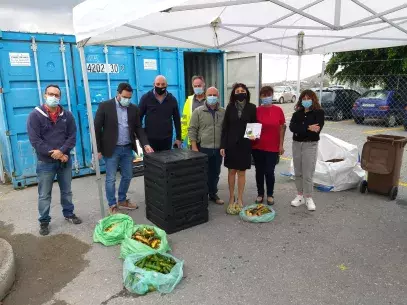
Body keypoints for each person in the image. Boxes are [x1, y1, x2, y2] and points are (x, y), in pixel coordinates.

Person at [27, 84, 82, 236]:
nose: (53, 97)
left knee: (67, 191)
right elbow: (36, 141)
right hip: (45, 163)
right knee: (44, 194)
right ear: (45, 96)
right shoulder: (35, 115)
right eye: (50, 94)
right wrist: (57, 154)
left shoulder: (67, 115)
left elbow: (72, 137)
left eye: (56, 95)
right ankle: (44, 221)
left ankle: (69, 214)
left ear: (60, 97)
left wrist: (63, 152)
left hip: (64, 160)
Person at [94, 83, 153, 215]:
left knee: (128, 175)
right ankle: (112, 204)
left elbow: (138, 128)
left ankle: (122, 200)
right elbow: (96, 129)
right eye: (125, 97)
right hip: (111, 149)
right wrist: (97, 149)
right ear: (118, 94)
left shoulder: (133, 109)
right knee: (111, 178)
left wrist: (146, 144)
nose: (127, 100)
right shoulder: (105, 106)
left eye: (129, 97)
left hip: (127, 148)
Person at [220, 83, 257, 214]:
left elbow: (254, 124)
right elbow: (225, 128)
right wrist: (223, 145)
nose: (240, 92)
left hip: (245, 145)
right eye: (237, 91)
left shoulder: (252, 108)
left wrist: (254, 136)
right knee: (231, 172)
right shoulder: (230, 107)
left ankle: (240, 198)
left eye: (242, 90)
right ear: (234, 94)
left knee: (241, 173)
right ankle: (231, 197)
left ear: (246, 92)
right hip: (231, 145)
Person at [188, 86, 225, 205]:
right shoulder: (198, 111)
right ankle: (201, 196)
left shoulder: (223, 112)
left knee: (215, 173)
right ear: (206, 95)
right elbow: (192, 129)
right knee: (202, 173)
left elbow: (226, 130)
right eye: (210, 95)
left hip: (218, 149)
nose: (212, 97)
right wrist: (194, 146)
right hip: (203, 148)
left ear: (218, 97)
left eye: (214, 95)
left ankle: (213, 194)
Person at [289, 89, 325, 211]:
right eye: (303, 99)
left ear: (313, 99)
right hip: (297, 144)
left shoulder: (319, 113)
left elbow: (317, 129)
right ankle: (300, 196)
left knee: (308, 172)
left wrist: (302, 128)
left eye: (308, 98)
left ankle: (308, 197)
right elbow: (292, 127)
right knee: (298, 171)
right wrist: (308, 127)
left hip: (310, 145)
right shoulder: (297, 114)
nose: (305, 101)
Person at [252, 86, 286, 205]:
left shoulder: (278, 110)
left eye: (268, 95)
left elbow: (282, 128)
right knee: (259, 171)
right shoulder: (256, 110)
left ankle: (270, 194)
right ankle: (260, 193)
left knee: (270, 171)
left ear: (272, 95)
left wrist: (281, 145)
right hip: (257, 147)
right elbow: (252, 128)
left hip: (272, 147)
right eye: (264, 95)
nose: (266, 97)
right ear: (260, 97)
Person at [139, 75, 182, 151]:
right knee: (151, 162)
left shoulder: (172, 100)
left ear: (167, 85)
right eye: (158, 84)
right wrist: (142, 140)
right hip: (150, 141)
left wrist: (178, 138)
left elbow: (177, 120)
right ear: (154, 85)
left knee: (166, 162)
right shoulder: (146, 98)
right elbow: (138, 119)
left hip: (166, 140)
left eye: (163, 84)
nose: (160, 86)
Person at [181, 75, 206, 148]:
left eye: (199, 86)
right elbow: (184, 120)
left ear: (203, 85)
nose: (197, 88)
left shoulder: (209, 99)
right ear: (192, 87)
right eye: (195, 86)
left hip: (207, 140)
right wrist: (182, 137)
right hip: (193, 140)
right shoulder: (189, 101)